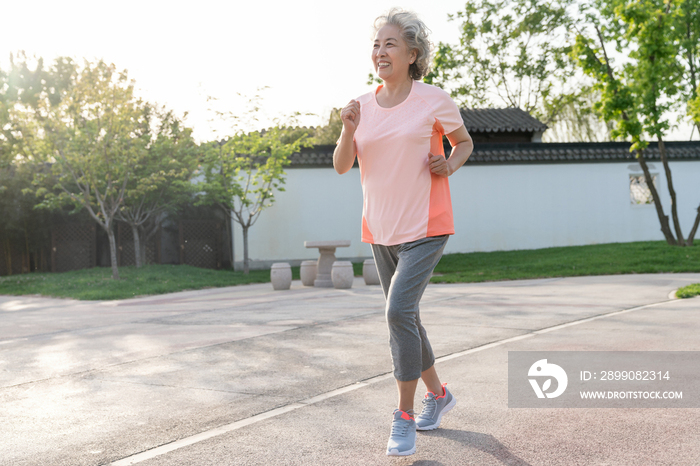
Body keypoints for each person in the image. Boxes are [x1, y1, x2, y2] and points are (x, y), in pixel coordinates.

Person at [333, 8, 474, 457]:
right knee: (407, 316)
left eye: (390, 44)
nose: (380, 51)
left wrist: (448, 163)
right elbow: (341, 165)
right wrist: (347, 129)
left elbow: (465, 142)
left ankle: (404, 416)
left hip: (426, 226)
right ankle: (440, 395)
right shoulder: (362, 104)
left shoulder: (432, 99)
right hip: (381, 229)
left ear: (413, 54)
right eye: (376, 45)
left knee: (396, 312)